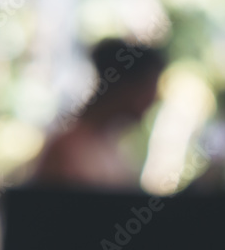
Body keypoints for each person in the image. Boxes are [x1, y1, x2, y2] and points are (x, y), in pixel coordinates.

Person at [32, 38, 167, 189]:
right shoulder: (68, 151)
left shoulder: (112, 148)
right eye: (149, 87)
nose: (154, 99)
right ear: (125, 86)